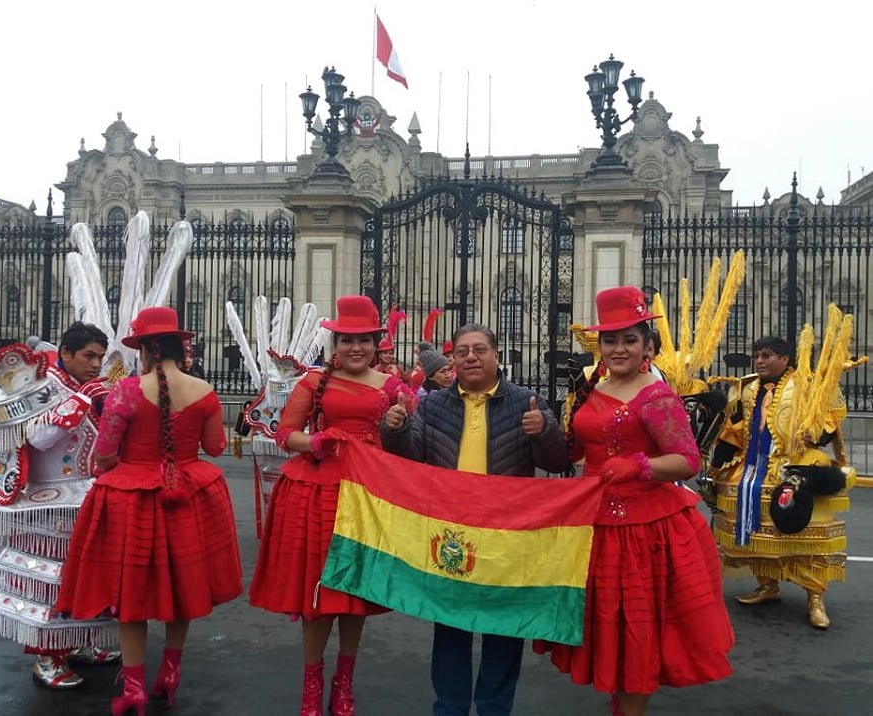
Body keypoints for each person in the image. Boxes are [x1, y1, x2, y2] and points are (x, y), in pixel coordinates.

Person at [534, 287, 733, 716]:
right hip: (593, 524)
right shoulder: (594, 385)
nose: (619, 348)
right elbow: (571, 450)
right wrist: (541, 429)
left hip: (644, 531)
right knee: (611, 627)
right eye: (611, 340)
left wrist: (638, 466)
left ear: (646, 344)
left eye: (629, 339)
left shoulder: (655, 395)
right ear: (600, 345)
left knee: (638, 629)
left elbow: (687, 461)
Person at [54, 306, 242, 714]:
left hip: (132, 500)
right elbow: (214, 448)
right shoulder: (206, 392)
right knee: (183, 588)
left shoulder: (123, 392)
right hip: (189, 496)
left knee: (131, 595)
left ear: (144, 350)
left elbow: (104, 454)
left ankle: (135, 687)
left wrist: (127, 463)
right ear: (179, 347)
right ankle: (170, 673)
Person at [381, 323, 568, 716]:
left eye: (479, 349)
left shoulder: (526, 402)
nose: (470, 357)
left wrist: (544, 431)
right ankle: (448, 708)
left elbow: (556, 460)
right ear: (453, 359)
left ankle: (494, 708)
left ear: (496, 355)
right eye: (462, 351)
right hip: (451, 534)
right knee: (450, 628)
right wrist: (394, 431)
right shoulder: (432, 404)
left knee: (503, 630)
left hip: (506, 536)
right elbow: (412, 457)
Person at [249, 295, 416, 716]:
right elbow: (284, 433)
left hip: (368, 497)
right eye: (346, 340)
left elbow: (412, 429)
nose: (355, 348)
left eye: (363, 340)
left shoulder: (393, 386)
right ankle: (312, 682)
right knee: (318, 594)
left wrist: (400, 421)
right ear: (335, 344)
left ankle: (344, 682)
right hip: (318, 492)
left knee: (354, 593)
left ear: (377, 343)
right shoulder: (312, 382)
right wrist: (318, 442)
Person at [0, 323, 121, 689]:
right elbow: (38, 439)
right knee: (49, 582)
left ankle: (78, 644)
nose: (96, 363)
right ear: (66, 353)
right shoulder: (41, 386)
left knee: (84, 578)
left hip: (82, 495)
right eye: (89, 355)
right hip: (46, 503)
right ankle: (46, 657)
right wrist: (84, 398)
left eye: (100, 357)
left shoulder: (77, 386)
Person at [708, 335, 854, 629]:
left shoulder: (805, 387)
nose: (759, 361)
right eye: (757, 355)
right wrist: (714, 468)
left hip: (795, 467)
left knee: (803, 534)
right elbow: (731, 433)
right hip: (752, 471)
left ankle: (814, 596)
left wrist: (815, 434)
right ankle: (767, 584)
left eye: (766, 355)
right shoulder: (745, 390)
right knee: (755, 532)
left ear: (784, 359)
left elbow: (827, 424)